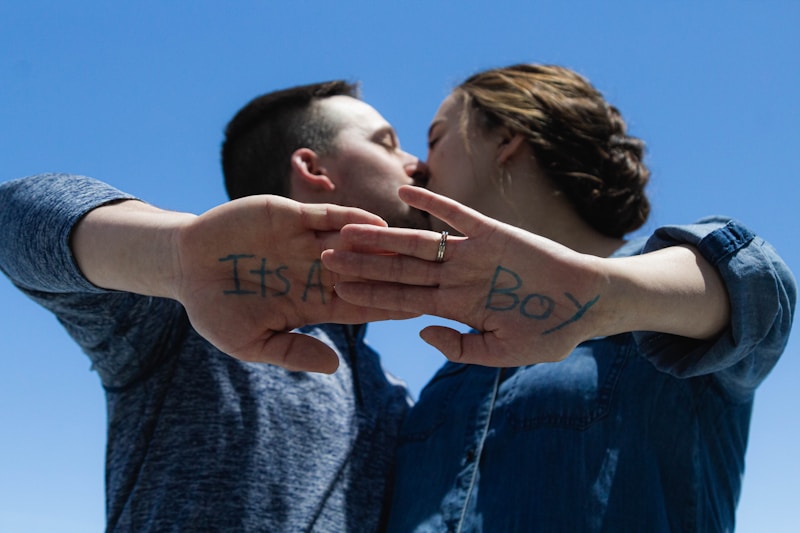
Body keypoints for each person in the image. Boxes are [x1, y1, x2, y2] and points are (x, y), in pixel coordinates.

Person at [321, 64, 797, 531]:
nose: (419, 166)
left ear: (507, 139)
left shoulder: (657, 293)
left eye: (436, 138)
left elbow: (757, 289)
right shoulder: (451, 370)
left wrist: (597, 294)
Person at [0, 80, 429, 531]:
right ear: (311, 166)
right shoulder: (190, 310)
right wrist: (174, 253)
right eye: (387, 143)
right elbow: (12, 219)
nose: (416, 163)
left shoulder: (395, 393)